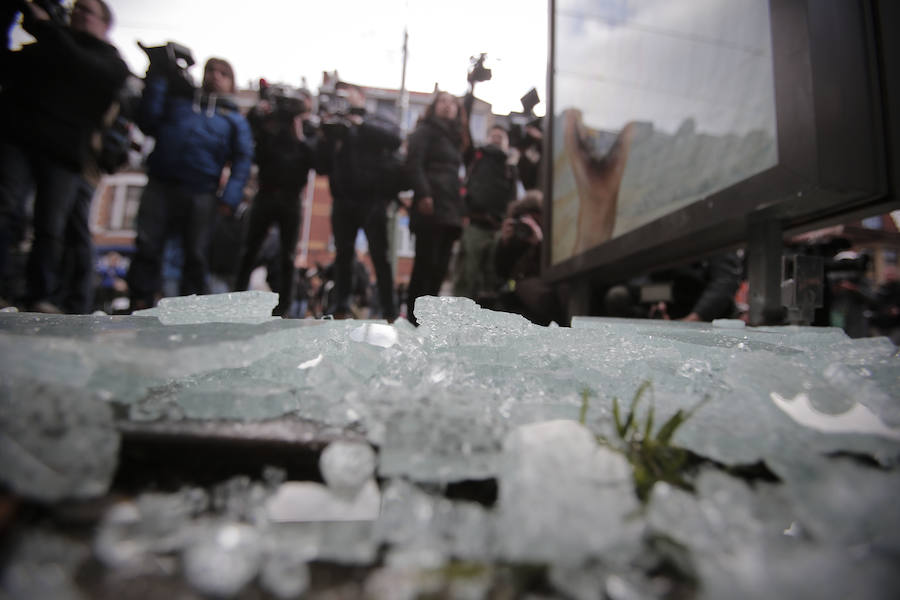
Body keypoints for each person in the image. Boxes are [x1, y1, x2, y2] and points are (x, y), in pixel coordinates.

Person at [0, 0, 129, 311]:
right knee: (6, 208)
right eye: (75, 9)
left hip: (65, 152)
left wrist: (48, 28)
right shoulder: (44, 48)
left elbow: (88, 72)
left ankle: (40, 294)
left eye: (87, 10)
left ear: (104, 23)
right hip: (18, 139)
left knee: (51, 225)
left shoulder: (107, 60)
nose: (77, 14)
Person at [126, 54, 253, 310]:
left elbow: (243, 159)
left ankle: (190, 310)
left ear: (232, 83)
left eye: (223, 73)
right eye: (210, 70)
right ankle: (139, 302)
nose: (214, 76)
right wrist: (159, 76)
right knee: (148, 245)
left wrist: (230, 197)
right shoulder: (179, 102)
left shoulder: (234, 119)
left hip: (202, 191)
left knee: (196, 253)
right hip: (161, 183)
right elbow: (148, 118)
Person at [316, 82, 402, 321]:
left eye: (348, 93)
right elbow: (321, 166)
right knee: (343, 254)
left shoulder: (374, 121)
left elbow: (394, 139)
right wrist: (326, 136)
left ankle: (390, 310)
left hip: (372, 200)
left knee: (380, 257)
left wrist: (359, 124)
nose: (344, 97)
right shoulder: (334, 126)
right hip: (343, 199)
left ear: (361, 96)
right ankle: (341, 305)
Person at [234, 86, 316, 316]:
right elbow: (251, 134)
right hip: (266, 192)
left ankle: (285, 307)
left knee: (288, 255)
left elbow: (317, 161)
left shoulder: (307, 130)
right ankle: (237, 297)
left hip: (291, 198)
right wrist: (262, 111)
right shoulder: (270, 124)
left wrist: (299, 135)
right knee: (250, 249)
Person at [405, 90, 469, 324]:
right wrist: (423, 194)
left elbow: (457, 178)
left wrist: (461, 212)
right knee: (425, 264)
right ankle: (414, 317)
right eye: (443, 101)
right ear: (434, 106)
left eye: (452, 103)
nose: (447, 106)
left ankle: (428, 318)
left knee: (441, 268)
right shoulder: (425, 131)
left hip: (450, 210)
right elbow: (414, 163)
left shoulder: (455, 139)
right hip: (430, 207)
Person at [453, 124, 518, 305]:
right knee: (468, 273)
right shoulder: (476, 156)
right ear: (487, 138)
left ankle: (489, 317)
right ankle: (459, 314)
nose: (497, 139)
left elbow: (513, 198)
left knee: (493, 276)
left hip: (498, 228)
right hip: (475, 223)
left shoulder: (510, 167)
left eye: (501, 137)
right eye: (494, 135)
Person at [494, 190, 568, 326]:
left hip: (551, 281)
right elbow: (501, 271)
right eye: (524, 218)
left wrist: (539, 241)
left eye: (534, 218)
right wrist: (504, 243)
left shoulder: (552, 231)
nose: (528, 223)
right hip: (522, 287)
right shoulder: (514, 236)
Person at [603, 251, 743, 322]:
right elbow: (644, 280)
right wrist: (655, 305)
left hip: (698, 297)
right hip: (668, 293)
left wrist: (695, 318)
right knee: (618, 296)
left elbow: (724, 280)